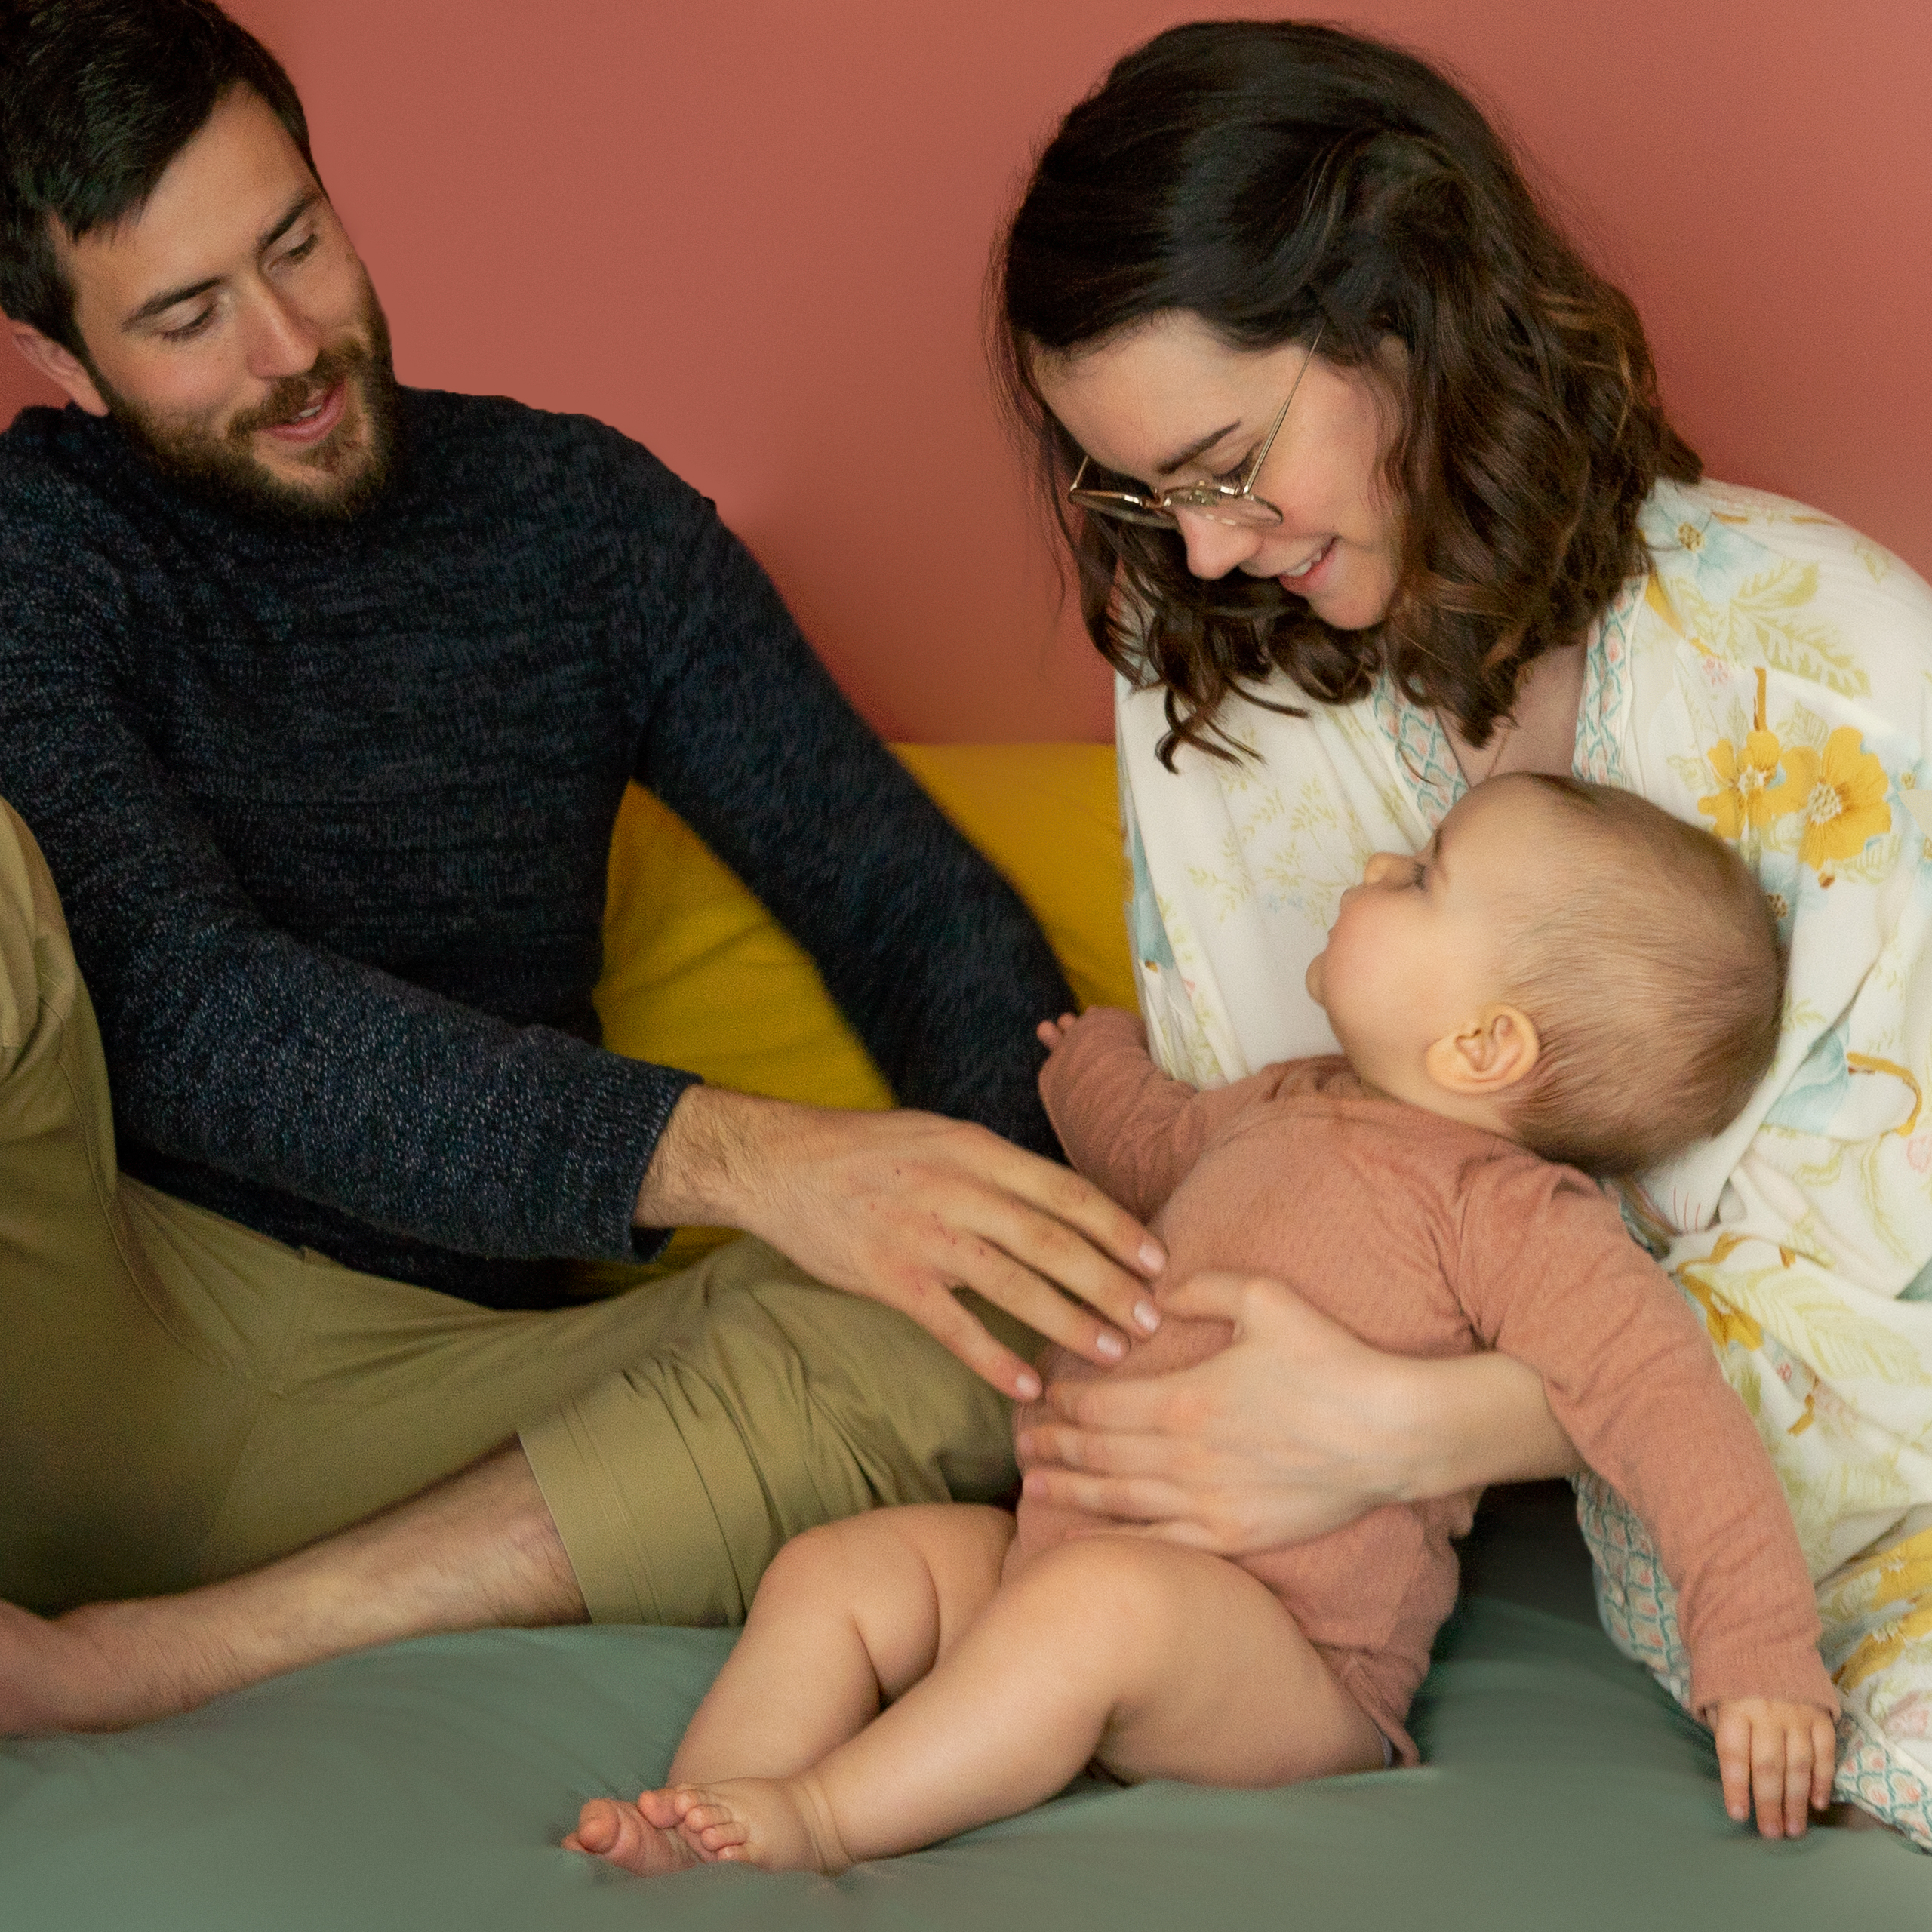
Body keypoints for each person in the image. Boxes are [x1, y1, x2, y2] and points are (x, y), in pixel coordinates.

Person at [0, 0, 1168, 1728]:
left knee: (1002, 1316)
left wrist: (1000, 1210)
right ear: (61, 359)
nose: (290, 346)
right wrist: (747, 1157)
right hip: (106, 1313)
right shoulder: (39, 548)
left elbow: (906, 904)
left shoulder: (585, 519)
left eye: (297, 243)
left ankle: (165, 1655)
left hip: (461, 1395)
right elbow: (185, 1007)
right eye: (187, 316)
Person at [994, 20, 1932, 1841]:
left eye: (1225, 461)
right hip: (1309, 1579)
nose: (1201, 552)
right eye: (1140, 495)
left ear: (1401, 307)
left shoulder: (1840, 673)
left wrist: (1415, 1426)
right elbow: (1255, 1169)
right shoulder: (1213, 670)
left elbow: (1889, 1311)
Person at [566, 772, 1841, 1875]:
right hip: (1053, 1566)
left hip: (1283, 1666)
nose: (1377, 865)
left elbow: (1670, 1408)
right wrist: (1088, 1060)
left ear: (1482, 1045)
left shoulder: (1513, 1215)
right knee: (835, 1573)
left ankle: (820, 1820)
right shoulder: (1287, 1099)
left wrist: (1762, 1656)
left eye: (1422, 876)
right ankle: (700, 1819)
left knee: (1102, 1611)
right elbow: (1151, 1147)